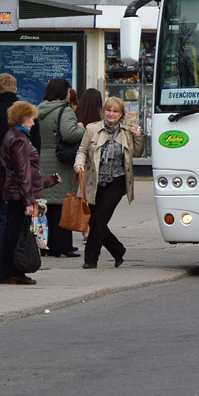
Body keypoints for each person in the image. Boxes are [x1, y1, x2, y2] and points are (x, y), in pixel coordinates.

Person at [74, 97, 145, 269]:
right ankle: (118, 250)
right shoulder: (92, 129)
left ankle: (90, 260)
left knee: (98, 219)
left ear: (121, 114)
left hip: (117, 181)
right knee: (93, 221)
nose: (111, 114)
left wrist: (138, 136)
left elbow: (136, 153)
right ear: (103, 111)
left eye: (115, 111)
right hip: (94, 181)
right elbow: (82, 150)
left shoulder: (126, 132)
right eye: (108, 110)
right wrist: (79, 164)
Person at [0, 100, 44, 285]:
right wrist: (28, 200)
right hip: (19, 194)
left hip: (13, 192)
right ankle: (15, 271)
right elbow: (22, 172)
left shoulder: (11, 136)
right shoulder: (19, 140)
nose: (33, 123)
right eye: (31, 119)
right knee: (17, 234)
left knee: (12, 231)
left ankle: (9, 270)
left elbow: (2, 169)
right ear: (23, 118)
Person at [36, 78, 83, 258]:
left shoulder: (40, 109)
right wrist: (82, 128)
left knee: (47, 205)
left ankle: (45, 245)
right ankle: (63, 246)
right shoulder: (65, 110)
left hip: (43, 160)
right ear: (64, 93)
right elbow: (70, 134)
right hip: (60, 162)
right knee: (63, 204)